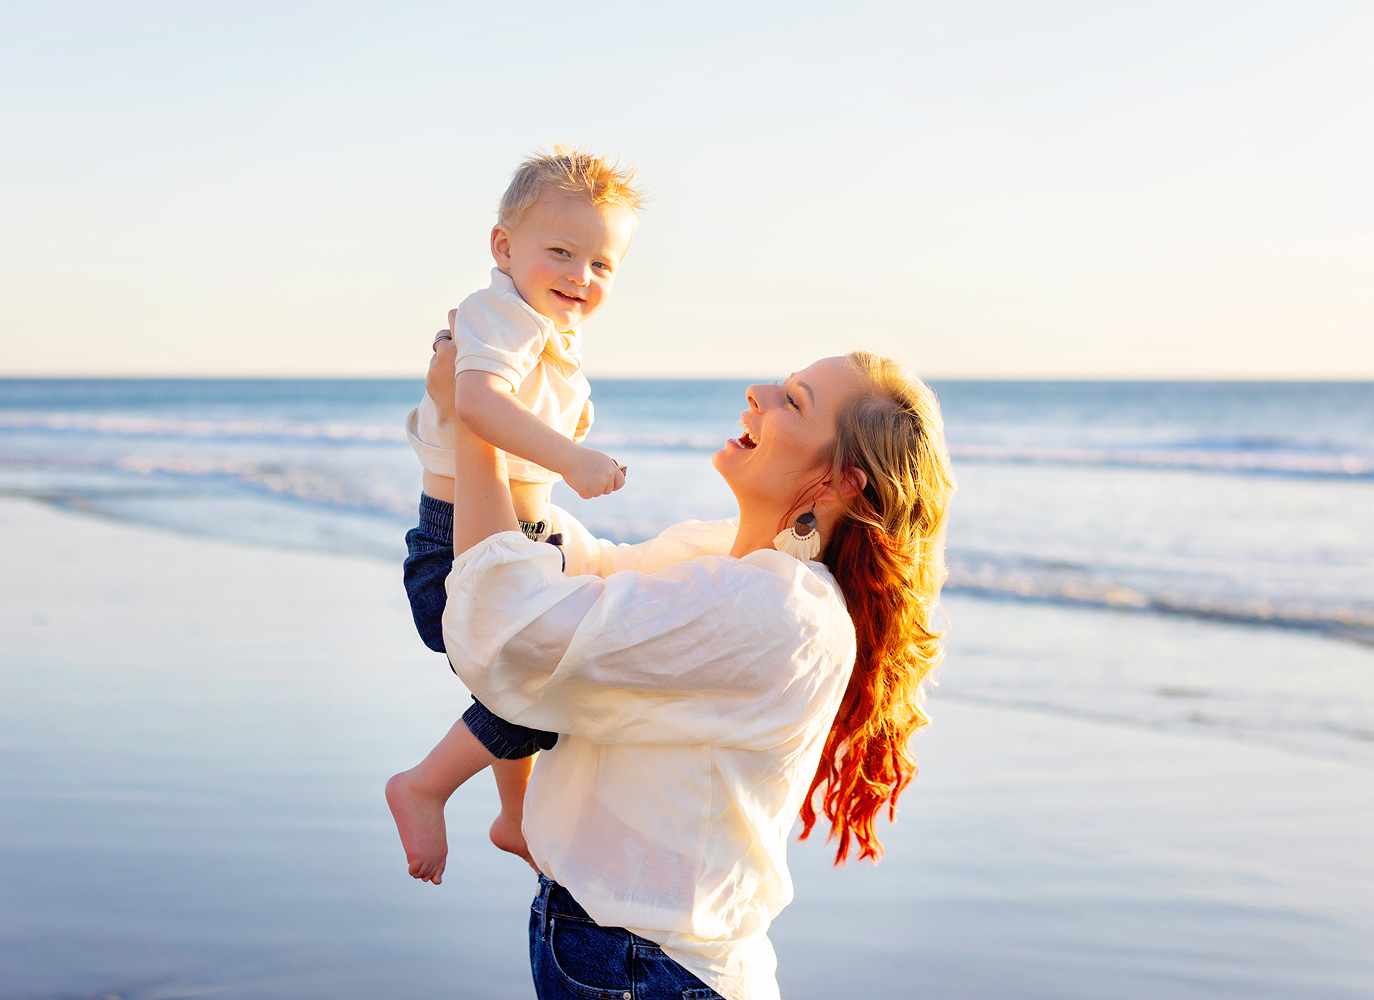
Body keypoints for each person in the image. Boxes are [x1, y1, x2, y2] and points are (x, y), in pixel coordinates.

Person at [392, 328, 956, 1000]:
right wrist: (489, 418)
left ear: (837, 483)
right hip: (619, 953)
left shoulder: (780, 608)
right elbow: (569, 569)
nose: (759, 393)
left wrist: (479, 425)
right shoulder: (720, 556)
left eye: (794, 402)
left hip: (653, 970)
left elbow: (517, 633)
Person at [386, 147, 646, 884]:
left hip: (515, 539)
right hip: (462, 549)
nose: (580, 276)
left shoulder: (544, 326)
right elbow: (476, 405)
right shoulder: (500, 313)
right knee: (536, 693)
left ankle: (514, 818)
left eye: (601, 265)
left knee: (523, 686)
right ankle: (424, 785)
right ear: (504, 247)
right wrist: (572, 458)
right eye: (560, 252)